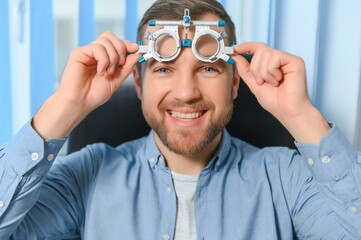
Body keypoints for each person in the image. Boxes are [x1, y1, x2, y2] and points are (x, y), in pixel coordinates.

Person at [0, 0, 360, 239]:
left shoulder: (286, 178)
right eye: (163, 68)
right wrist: (64, 106)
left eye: (207, 68)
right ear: (138, 83)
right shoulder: (87, 175)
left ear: (235, 83)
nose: (186, 92)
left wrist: (300, 116)